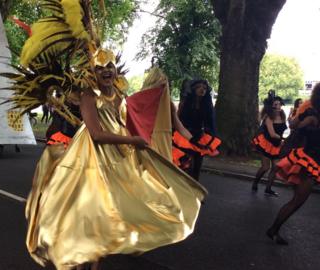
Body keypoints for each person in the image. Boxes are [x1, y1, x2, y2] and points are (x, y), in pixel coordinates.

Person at [25, 49, 206, 270]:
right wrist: (132, 141)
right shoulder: (88, 96)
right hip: (89, 158)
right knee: (90, 212)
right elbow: (96, 135)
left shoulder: (119, 96)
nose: (106, 71)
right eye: (99, 68)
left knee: (117, 210)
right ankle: (79, 259)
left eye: (109, 66)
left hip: (119, 157)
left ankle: (94, 262)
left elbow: (128, 120)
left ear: (116, 69)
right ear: (93, 72)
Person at [266, 83, 320, 245]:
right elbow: (293, 126)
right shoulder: (312, 114)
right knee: (297, 201)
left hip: (312, 160)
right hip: (307, 161)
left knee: (297, 200)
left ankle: (274, 230)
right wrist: (306, 119)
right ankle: (273, 230)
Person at [177, 79, 220, 181]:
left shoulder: (207, 105)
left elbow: (210, 122)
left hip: (199, 135)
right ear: (194, 89)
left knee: (198, 162)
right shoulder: (185, 103)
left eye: (204, 88)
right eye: (199, 87)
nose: (202, 90)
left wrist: (208, 134)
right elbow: (179, 119)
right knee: (185, 162)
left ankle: (195, 184)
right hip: (185, 134)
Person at [251, 91, 287, 196]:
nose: (278, 106)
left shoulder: (283, 116)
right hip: (266, 144)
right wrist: (282, 139)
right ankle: (255, 182)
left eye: (280, 104)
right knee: (265, 167)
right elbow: (272, 134)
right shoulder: (268, 118)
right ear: (271, 106)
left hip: (277, 145)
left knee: (275, 168)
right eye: (276, 104)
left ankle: (268, 188)